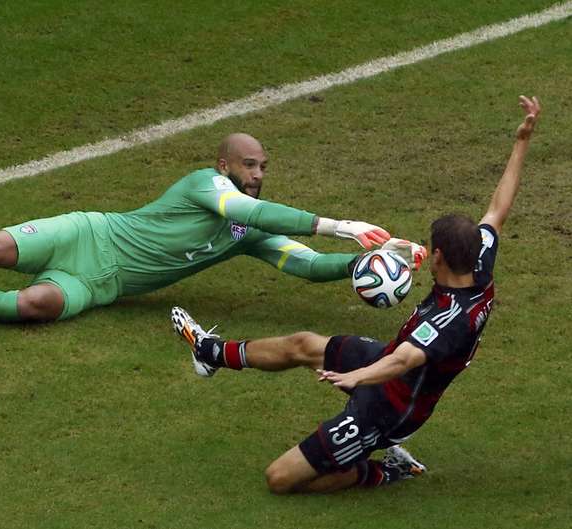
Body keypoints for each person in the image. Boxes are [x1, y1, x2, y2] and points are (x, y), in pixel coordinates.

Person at [171, 96, 540, 493]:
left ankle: (389, 469)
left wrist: (356, 377)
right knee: (303, 344)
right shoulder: (479, 263)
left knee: (280, 479)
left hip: (390, 407)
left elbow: (403, 360)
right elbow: (498, 209)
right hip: (386, 364)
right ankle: (209, 353)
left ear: (439, 257)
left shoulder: (449, 322)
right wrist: (521, 141)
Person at [0, 133, 424, 323]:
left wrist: (367, 262)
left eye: (264, 167)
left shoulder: (253, 235)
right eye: (249, 164)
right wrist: (341, 224)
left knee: (33, 306)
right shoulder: (206, 187)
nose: (258, 174)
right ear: (224, 166)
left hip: (106, 284)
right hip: (89, 235)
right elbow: (247, 212)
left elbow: (303, 265)